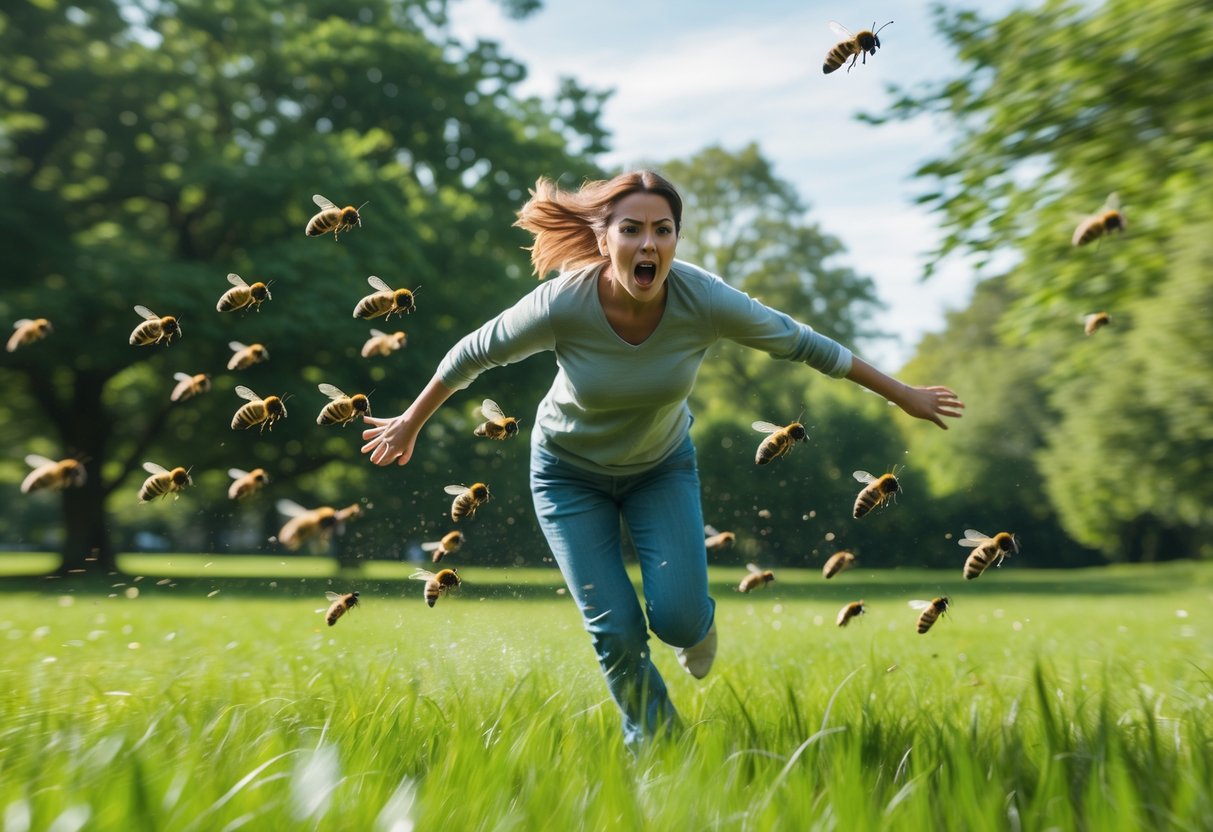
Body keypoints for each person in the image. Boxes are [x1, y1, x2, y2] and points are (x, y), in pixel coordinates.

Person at [361, 170, 964, 752]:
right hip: (566, 475)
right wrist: (409, 422)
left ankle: (696, 626)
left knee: (675, 618)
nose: (648, 243)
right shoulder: (562, 302)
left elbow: (805, 344)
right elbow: (472, 354)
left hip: (661, 469)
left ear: (676, 238)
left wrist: (903, 394)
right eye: (631, 229)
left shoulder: (704, 299)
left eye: (663, 229)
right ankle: (658, 744)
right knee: (615, 629)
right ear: (604, 240)